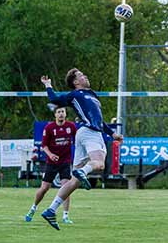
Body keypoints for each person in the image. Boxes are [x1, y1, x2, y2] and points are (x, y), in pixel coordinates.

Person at [40, 68, 123, 230]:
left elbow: (99, 121)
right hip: (89, 134)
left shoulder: (92, 95)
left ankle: (51, 210)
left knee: (74, 182)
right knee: (99, 164)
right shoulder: (75, 94)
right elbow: (55, 99)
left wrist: (112, 134)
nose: (85, 76)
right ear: (76, 82)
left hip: (89, 133)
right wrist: (48, 85)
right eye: (81, 76)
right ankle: (83, 171)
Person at [25, 107, 77, 224]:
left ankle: (65, 216)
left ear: (65, 114)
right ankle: (33, 208)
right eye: (58, 112)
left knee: (66, 188)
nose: (61, 114)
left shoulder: (71, 126)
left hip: (65, 162)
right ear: (55, 115)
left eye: (62, 112)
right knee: (44, 188)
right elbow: (44, 145)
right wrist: (51, 154)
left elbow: (78, 140)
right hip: (51, 163)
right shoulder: (49, 128)